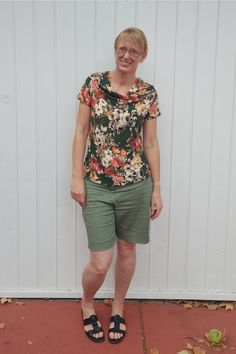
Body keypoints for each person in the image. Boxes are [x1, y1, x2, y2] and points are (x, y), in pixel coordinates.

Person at [70, 27, 163, 344]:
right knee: (100, 262)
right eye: (122, 49)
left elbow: (150, 144)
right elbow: (81, 131)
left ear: (142, 56)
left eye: (133, 52)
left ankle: (119, 307)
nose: (126, 56)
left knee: (126, 248)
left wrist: (157, 188)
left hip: (136, 186)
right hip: (96, 184)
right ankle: (87, 303)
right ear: (115, 50)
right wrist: (75, 177)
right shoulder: (94, 84)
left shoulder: (147, 93)